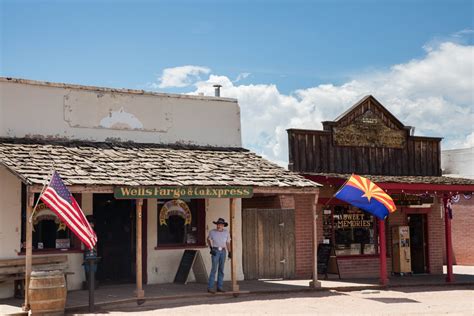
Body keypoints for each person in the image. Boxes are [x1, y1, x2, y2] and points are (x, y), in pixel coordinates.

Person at [207, 217, 231, 293]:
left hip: (223, 251)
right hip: (215, 250)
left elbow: (228, 243)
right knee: (214, 269)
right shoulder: (212, 232)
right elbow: (208, 239)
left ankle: (219, 287)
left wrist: (229, 252)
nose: (219, 226)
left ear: (223, 225)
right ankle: (210, 287)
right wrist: (211, 248)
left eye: (220, 224)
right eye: (218, 224)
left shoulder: (226, 232)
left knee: (221, 269)